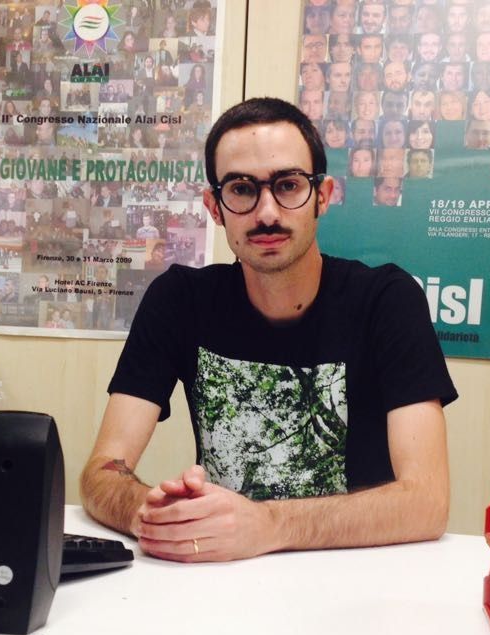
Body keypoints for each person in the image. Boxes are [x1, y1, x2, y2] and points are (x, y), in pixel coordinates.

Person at [80, 97, 456, 562]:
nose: (267, 213)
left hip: (355, 578)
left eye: (288, 185)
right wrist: (150, 512)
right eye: (241, 189)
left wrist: (270, 525)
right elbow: (102, 471)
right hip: (224, 574)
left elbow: (427, 502)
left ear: (323, 196)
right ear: (214, 207)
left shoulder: (387, 300)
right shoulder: (179, 299)